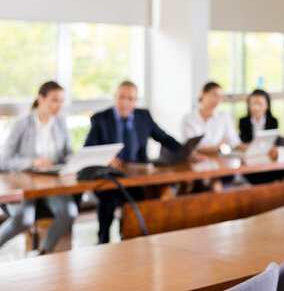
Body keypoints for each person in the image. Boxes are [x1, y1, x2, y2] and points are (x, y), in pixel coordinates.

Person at [84, 81, 182, 244]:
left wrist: (188, 151)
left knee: (148, 201)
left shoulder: (144, 116)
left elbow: (164, 138)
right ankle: (103, 240)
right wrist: (105, 158)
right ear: (115, 97)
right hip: (110, 179)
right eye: (121, 97)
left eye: (130, 99)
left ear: (136, 101)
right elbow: (88, 150)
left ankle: (135, 241)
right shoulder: (100, 120)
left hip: (137, 178)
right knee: (108, 199)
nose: (125, 103)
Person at [0, 81, 78, 255]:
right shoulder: (22, 124)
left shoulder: (60, 123)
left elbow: (67, 153)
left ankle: (43, 252)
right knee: (24, 219)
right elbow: (4, 160)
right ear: (41, 99)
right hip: (24, 183)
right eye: (54, 100)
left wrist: (76, 160)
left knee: (69, 212)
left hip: (51, 183)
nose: (59, 106)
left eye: (61, 101)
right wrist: (31, 162)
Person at [183, 82, 241, 153]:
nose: (217, 100)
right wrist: (217, 147)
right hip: (196, 159)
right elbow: (189, 146)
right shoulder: (189, 118)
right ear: (203, 94)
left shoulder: (224, 117)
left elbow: (234, 143)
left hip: (218, 160)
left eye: (220, 97)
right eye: (214, 95)